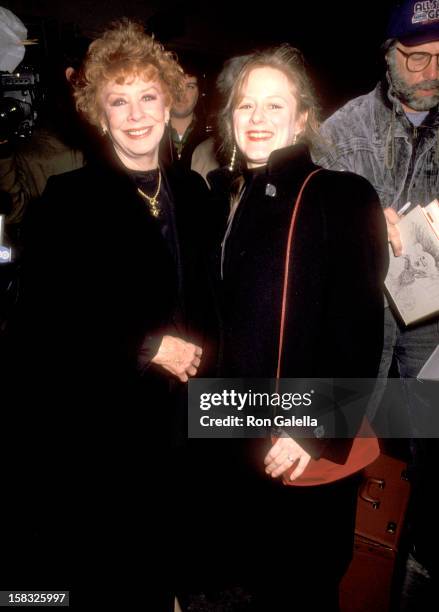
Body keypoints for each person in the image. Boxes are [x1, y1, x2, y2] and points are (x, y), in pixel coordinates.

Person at [6, 19, 212, 609]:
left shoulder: (195, 195)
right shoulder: (65, 205)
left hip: (181, 427)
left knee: (164, 563)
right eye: (118, 100)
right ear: (98, 114)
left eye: (148, 96)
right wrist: (146, 346)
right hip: (102, 434)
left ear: (168, 100)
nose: (137, 112)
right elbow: (38, 335)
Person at [203, 44, 388, 610]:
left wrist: (312, 431)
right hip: (241, 442)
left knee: (300, 588)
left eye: (274, 106)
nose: (257, 119)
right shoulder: (230, 199)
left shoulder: (341, 193)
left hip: (300, 445)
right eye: (244, 106)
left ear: (303, 117)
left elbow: (358, 331)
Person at [313, 0, 439, 581]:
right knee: (337, 443)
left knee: (430, 452)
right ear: (389, 57)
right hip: (359, 321)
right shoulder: (342, 129)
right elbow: (308, 227)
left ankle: (420, 566)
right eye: (416, 59)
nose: (430, 72)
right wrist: (363, 223)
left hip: (433, 327)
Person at [160, 61, 207, 169]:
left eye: (190, 87)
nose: (181, 93)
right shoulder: (150, 133)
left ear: (199, 92)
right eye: (175, 85)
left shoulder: (214, 137)